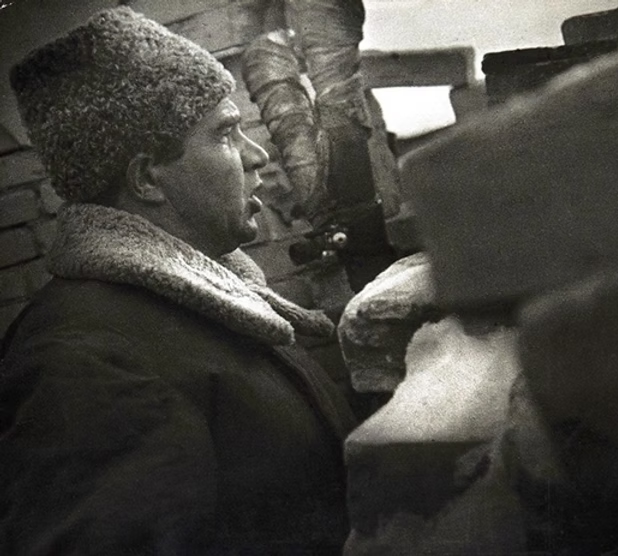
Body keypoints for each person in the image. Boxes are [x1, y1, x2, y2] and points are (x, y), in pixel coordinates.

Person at [0, 7, 357, 555]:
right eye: (226, 134)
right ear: (147, 177)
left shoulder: (213, 298)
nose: (257, 155)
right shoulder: (82, 362)